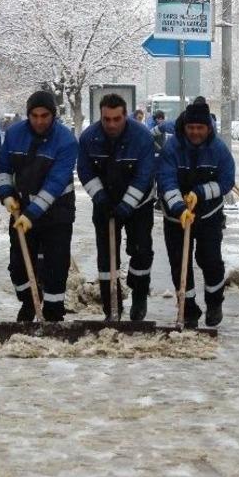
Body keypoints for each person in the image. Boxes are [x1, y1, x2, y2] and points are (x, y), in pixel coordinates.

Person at [0, 91, 79, 322]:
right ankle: (29, 302)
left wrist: (32, 213)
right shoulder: (14, 134)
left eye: (45, 115)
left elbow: (56, 183)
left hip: (57, 210)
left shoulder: (66, 140)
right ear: (28, 114)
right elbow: (2, 167)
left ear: (53, 115)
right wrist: (6, 194)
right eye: (35, 115)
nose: (40, 121)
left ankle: (53, 312)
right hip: (21, 208)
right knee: (19, 264)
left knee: (55, 264)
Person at [156, 99, 236, 327]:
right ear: (184, 127)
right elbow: (165, 180)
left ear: (208, 128)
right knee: (180, 262)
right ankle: (188, 308)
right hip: (176, 217)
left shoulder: (218, 149)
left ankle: (214, 303)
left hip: (209, 215)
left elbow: (226, 181)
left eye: (200, 128)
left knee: (210, 260)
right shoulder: (172, 148)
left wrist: (200, 193)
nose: (195, 132)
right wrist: (180, 208)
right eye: (191, 127)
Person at [78, 93, 157, 321]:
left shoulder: (141, 137)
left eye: (116, 119)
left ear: (125, 116)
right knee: (106, 259)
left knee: (141, 251)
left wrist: (126, 205)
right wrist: (100, 197)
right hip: (104, 203)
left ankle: (139, 294)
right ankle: (111, 308)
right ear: (100, 117)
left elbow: (144, 176)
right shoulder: (89, 138)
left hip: (138, 204)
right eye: (106, 119)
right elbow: (85, 170)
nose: (111, 124)